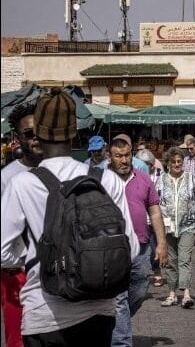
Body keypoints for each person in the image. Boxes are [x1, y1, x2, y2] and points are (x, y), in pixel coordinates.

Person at [1, 87, 139, 346]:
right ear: (75, 132)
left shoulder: (22, 183)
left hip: (45, 313)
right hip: (100, 310)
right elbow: (130, 248)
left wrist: (35, 253)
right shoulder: (106, 179)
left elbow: (2, 251)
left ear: (39, 133)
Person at [107, 134, 168, 347]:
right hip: (112, 249)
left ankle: (114, 324)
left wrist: (161, 243)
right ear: (109, 156)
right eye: (118, 156)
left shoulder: (143, 179)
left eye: (126, 155)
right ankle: (122, 342)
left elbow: (155, 212)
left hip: (141, 246)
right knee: (120, 299)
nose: (123, 160)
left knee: (140, 288)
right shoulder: (101, 179)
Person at [1, 100, 43, 347]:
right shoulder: (7, 178)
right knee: (17, 338)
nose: (36, 139)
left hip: (55, 271)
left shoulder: (60, 170)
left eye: (39, 132)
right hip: (17, 272)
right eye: (29, 134)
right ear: (18, 138)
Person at [156, 147, 195, 309]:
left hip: (188, 225)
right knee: (170, 261)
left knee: (184, 259)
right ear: (168, 163)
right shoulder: (161, 180)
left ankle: (186, 294)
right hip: (167, 226)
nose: (177, 164)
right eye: (174, 162)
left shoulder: (191, 178)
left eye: (179, 161)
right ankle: (172, 293)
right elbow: (155, 203)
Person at [136, 148, 165, 288]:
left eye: (145, 164)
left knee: (154, 247)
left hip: (153, 217)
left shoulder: (160, 176)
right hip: (139, 217)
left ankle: (157, 271)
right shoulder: (134, 176)